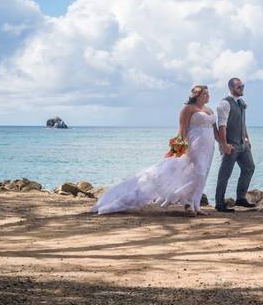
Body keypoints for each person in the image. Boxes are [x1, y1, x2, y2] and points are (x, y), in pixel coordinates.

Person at [93, 84, 219, 216]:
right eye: (205, 93)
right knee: (197, 173)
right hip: (194, 145)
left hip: (208, 147)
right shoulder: (188, 109)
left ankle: (196, 205)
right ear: (197, 95)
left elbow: (215, 130)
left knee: (202, 174)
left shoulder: (209, 109)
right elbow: (182, 129)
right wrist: (179, 148)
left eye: (208, 93)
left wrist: (224, 144)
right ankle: (188, 204)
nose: (208, 95)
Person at [214, 77, 256, 212]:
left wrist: (247, 139)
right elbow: (222, 126)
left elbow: (242, 122)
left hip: (243, 145)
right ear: (231, 88)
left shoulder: (241, 103)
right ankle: (219, 203)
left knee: (249, 167)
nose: (242, 88)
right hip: (230, 145)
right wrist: (224, 144)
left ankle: (241, 198)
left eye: (242, 86)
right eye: (239, 87)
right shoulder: (224, 104)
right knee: (225, 174)